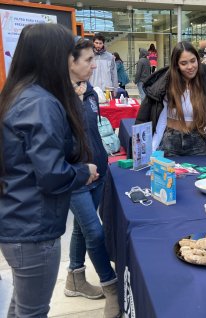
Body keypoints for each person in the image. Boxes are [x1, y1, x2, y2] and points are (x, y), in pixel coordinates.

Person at [0, 23, 98, 317]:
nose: (73, 61)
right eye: (68, 54)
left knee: (22, 307)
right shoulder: (41, 103)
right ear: (52, 57)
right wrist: (84, 171)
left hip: (19, 221)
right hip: (32, 228)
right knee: (33, 311)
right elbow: (52, 175)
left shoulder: (19, 93)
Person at [65, 37, 120, 318]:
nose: (93, 64)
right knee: (95, 231)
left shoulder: (91, 93)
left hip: (99, 168)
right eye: (87, 60)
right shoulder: (56, 97)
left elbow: (94, 133)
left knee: (81, 229)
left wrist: (103, 163)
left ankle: (74, 278)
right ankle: (111, 287)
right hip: (75, 177)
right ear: (70, 62)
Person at [135, 41, 206, 158]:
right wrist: (151, 150)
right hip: (170, 141)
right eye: (184, 63)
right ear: (176, 65)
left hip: (197, 142)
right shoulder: (167, 84)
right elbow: (161, 121)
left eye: (193, 61)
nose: (190, 67)